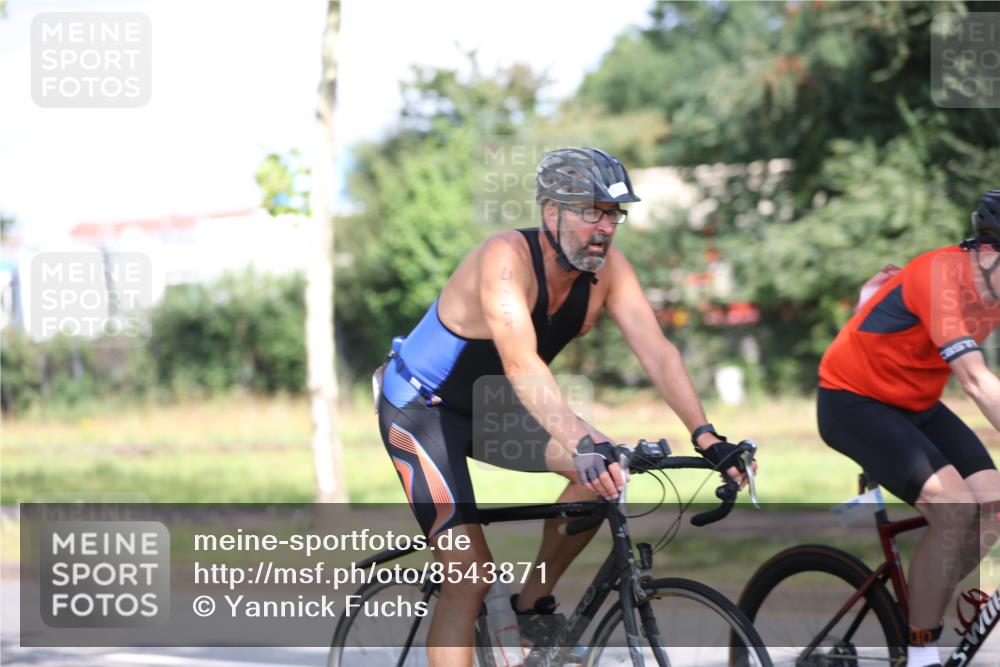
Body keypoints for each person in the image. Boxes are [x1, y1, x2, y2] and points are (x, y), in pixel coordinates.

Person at [374, 147, 753, 666]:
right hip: (422, 410)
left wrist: (706, 436)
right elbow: (522, 362)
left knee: (605, 471)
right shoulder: (505, 260)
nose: (605, 227)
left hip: (493, 410)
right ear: (550, 212)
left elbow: (658, 353)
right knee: (471, 576)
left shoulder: (609, 272)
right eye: (590, 211)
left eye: (613, 213)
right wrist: (579, 440)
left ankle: (532, 609)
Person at [817, 189, 1000, 667]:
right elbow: (977, 382)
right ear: (987, 251)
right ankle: (921, 654)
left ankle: (923, 604)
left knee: (993, 506)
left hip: (915, 404)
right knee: (955, 506)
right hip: (852, 401)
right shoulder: (941, 276)